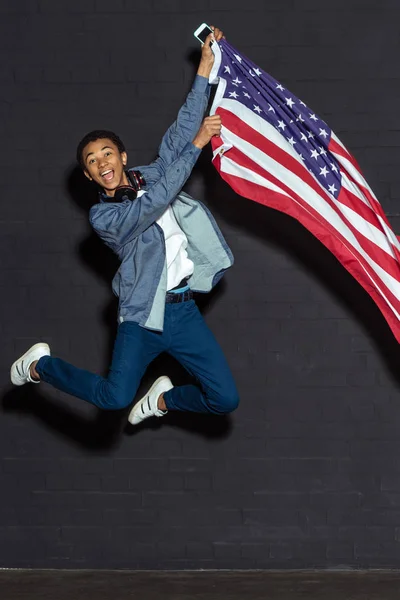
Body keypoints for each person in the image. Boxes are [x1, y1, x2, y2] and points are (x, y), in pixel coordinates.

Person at [10, 26, 239, 426]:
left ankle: (164, 401)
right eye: (93, 161)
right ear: (89, 175)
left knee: (225, 399)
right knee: (114, 398)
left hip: (183, 312)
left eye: (107, 153)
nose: (102, 163)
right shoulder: (104, 217)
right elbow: (154, 203)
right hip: (142, 318)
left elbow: (180, 134)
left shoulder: (149, 175)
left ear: (122, 156)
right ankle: (40, 366)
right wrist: (198, 147)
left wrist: (204, 68)